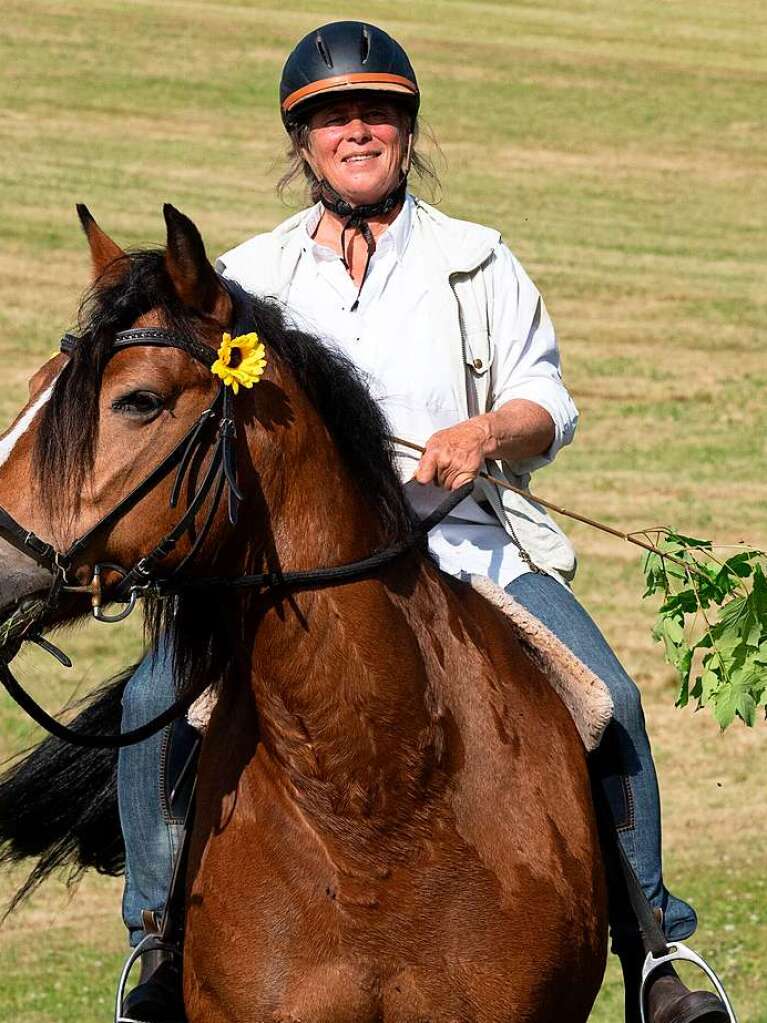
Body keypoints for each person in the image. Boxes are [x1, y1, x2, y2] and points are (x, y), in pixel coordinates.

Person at [117, 21, 728, 1023]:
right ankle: (154, 943)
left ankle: (656, 948)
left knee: (608, 697)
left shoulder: (478, 262)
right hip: (290, 575)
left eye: (376, 113)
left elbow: (546, 404)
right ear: (299, 141)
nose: (355, 131)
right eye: (330, 118)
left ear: (405, 129)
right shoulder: (245, 282)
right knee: (151, 707)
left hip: (469, 547)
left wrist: (488, 430)